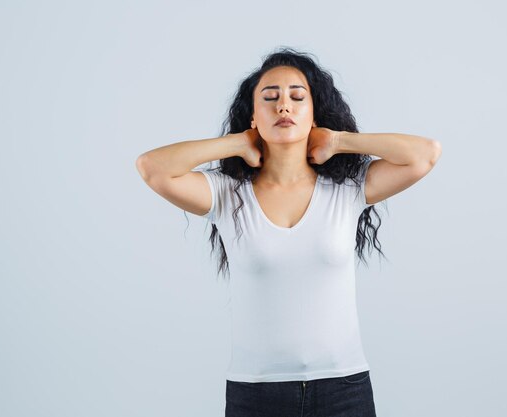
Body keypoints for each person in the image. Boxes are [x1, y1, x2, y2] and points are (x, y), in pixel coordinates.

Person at [135, 47, 441, 417]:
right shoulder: (227, 193)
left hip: (344, 389)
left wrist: (340, 141)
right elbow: (151, 167)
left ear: (314, 114)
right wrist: (237, 144)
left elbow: (425, 154)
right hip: (255, 393)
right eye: (270, 98)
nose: (284, 106)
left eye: (297, 97)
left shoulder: (347, 189)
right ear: (253, 114)